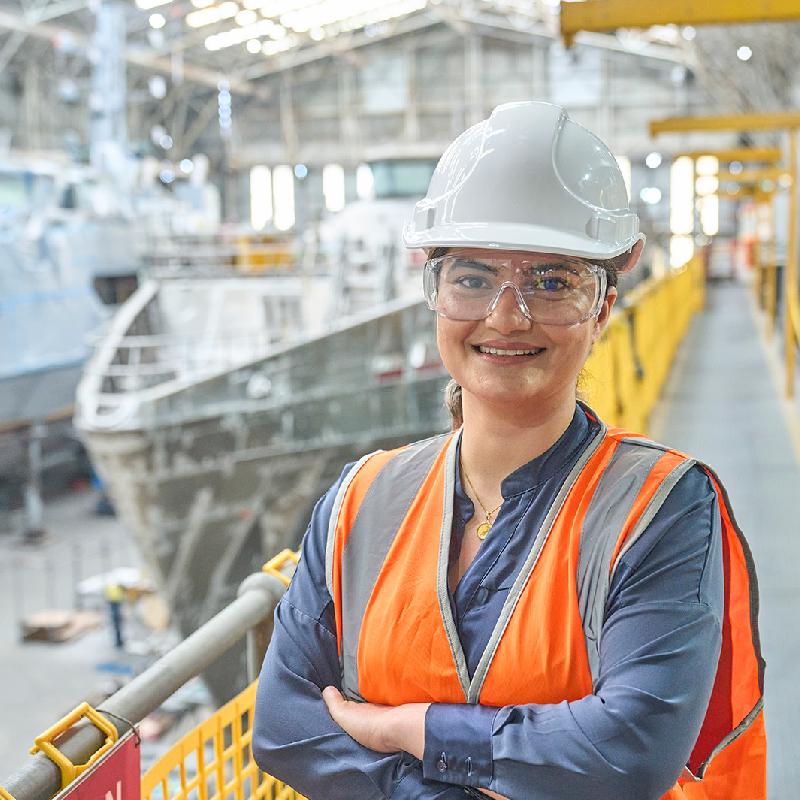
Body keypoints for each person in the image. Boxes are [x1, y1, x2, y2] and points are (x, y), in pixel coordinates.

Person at [252, 102, 765, 799]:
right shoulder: (360, 501)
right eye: (472, 278)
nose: (505, 315)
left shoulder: (662, 510)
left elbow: (630, 751)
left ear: (605, 306)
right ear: (434, 291)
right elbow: (284, 728)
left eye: (552, 282)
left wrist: (417, 729)